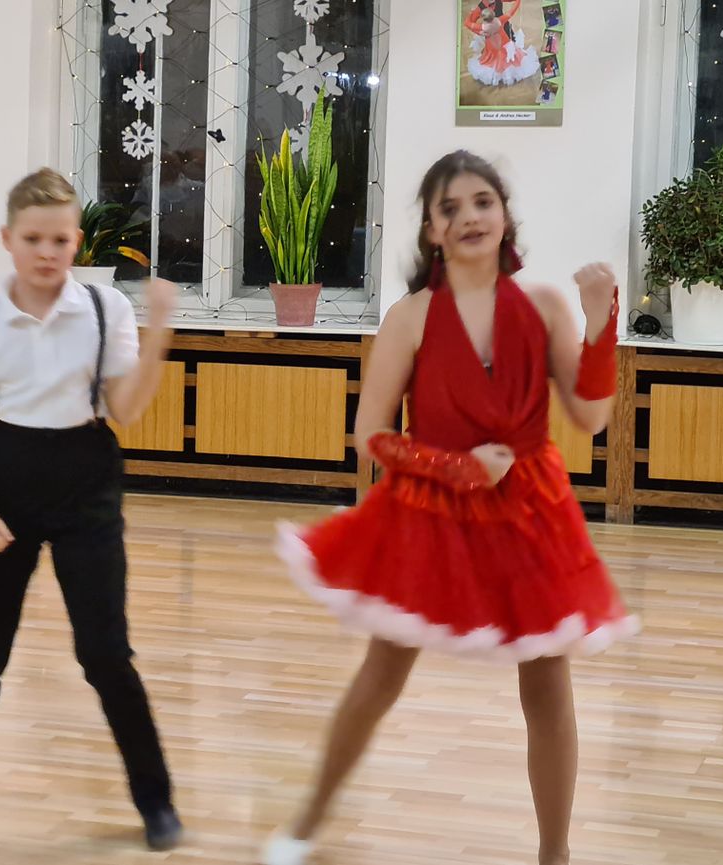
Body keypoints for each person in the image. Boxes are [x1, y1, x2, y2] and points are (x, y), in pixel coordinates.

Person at [260, 150, 638, 865]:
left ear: (504, 216)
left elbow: (590, 417)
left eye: (482, 202)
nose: (469, 217)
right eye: (450, 207)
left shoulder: (544, 305)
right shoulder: (409, 318)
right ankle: (306, 822)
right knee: (382, 671)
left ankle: (554, 855)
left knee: (547, 681)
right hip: (430, 509)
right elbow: (371, 434)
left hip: (530, 508)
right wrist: (458, 468)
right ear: (431, 229)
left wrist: (599, 325)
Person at [0, 168, 184, 851]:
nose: (46, 252)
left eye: (60, 239)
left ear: (76, 241)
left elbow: (126, 410)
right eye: (33, 238)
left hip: (86, 480)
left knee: (105, 651)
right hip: (5, 479)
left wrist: (158, 331)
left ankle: (155, 800)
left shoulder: (103, 309)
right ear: (8, 239)